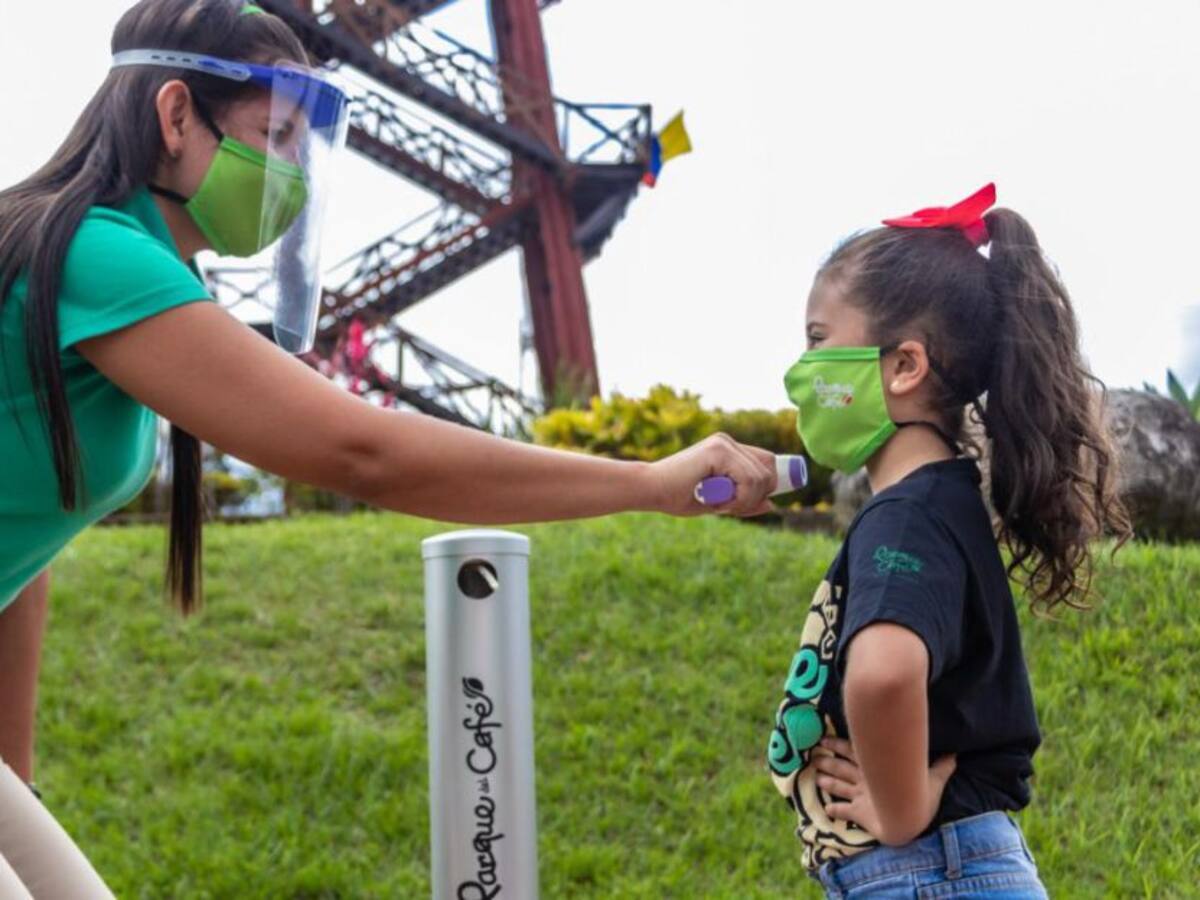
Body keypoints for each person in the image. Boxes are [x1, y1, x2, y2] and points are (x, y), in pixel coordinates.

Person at [0, 2, 777, 894]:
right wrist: (647, 483)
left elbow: (27, 537)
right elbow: (364, 452)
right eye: (273, 135)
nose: (289, 170)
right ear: (176, 116)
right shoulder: (100, 255)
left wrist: (14, 783)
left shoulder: (109, 260)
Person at [766, 183, 1130, 898]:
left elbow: (884, 672)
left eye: (818, 340)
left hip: (927, 869)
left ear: (905, 365)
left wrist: (899, 813)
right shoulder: (939, 504)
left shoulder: (906, 517)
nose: (800, 371)